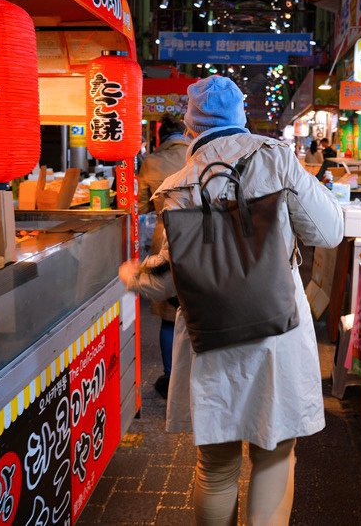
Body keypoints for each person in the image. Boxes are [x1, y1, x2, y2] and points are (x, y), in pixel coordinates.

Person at [119, 76, 343, 525]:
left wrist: (133, 275)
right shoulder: (277, 159)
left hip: (210, 336)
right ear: (241, 116)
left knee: (216, 468)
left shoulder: (176, 186)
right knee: (275, 457)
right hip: (276, 332)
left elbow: (167, 281)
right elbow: (328, 232)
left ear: (191, 124)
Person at [137, 114, 192, 398]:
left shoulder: (151, 162)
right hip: (200, 241)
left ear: (161, 137)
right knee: (198, 311)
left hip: (165, 238)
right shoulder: (198, 156)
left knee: (169, 317)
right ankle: (195, 379)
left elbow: (140, 205)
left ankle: (171, 380)